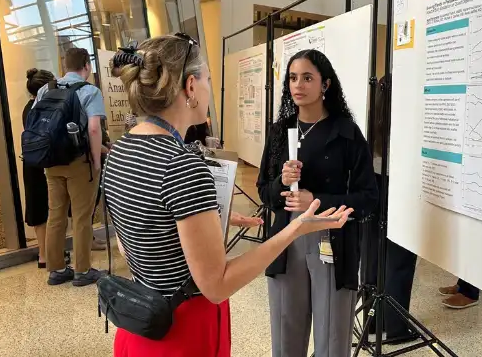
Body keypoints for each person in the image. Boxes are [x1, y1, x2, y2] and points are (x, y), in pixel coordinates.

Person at [104, 34, 353, 356]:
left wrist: (205, 221)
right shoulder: (181, 164)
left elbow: (133, 242)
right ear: (191, 87)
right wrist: (296, 228)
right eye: (206, 79)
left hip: (139, 321)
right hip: (183, 330)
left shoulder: (120, 151)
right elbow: (217, 285)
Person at [258, 49, 379, 357]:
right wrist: (281, 183)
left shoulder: (347, 134)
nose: (298, 85)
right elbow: (265, 193)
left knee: (332, 339)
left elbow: (367, 199)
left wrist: (318, 200)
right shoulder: (278, 134)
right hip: (286, 243)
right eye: (293, 78)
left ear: (325, 84)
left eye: (308, 78)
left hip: (331, 243)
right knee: (286, 335)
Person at [37, 48, 106, 286]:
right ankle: (83, 270)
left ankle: (56, 269)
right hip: (79, 161)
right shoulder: (90, 91)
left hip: (51, 161)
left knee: (55, 214)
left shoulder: (46, 89)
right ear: (86, 65)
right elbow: (94, 128)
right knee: (81, 216)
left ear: (65, 65)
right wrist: (96, 160)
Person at [362, 74, 419, 344]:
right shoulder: (406, 113)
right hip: (398, 184)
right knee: (400, 257)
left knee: (373, 253)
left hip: (374, 183)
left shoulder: (375, 109)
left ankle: (372, 323)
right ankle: (395, 328)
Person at [22, 68, 70, 268]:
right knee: (53, 209)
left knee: (37, 208)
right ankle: (53, 253)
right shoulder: (49, 106)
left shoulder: (28, 107)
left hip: (30, 160)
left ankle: (43, 254)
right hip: (48, 161)